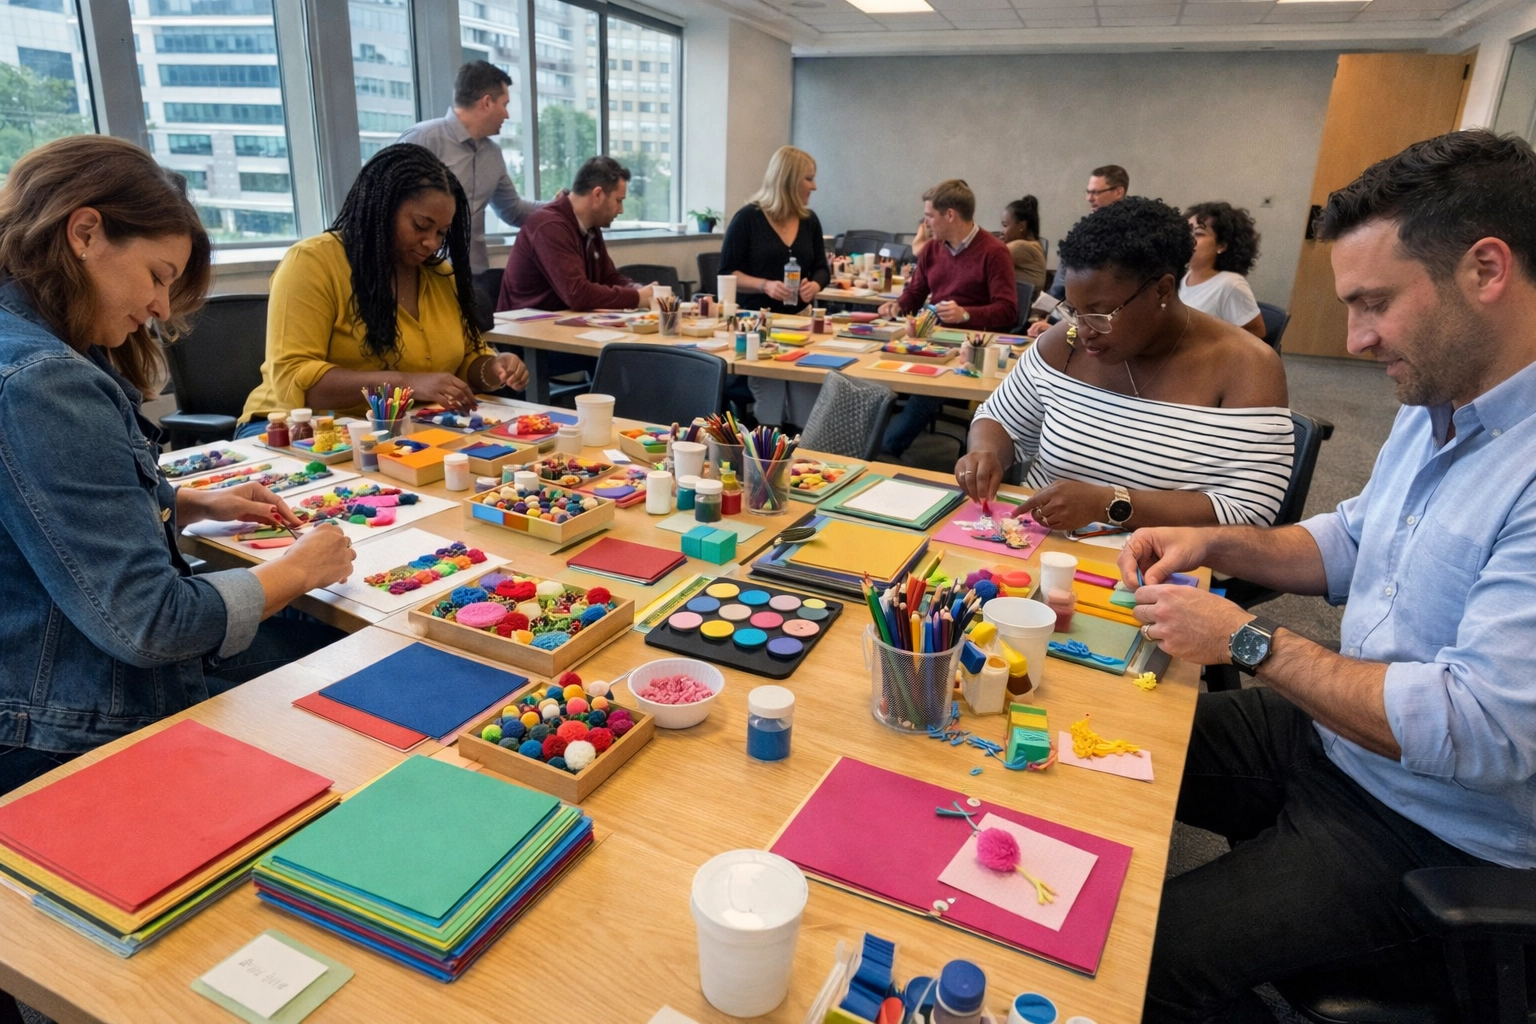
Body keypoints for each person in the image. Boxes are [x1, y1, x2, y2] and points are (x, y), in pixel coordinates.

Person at [1124, 129, 1536, 1024]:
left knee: (1127, 962)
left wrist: (1246, 641)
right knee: (1104, 744)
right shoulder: (1444, 397)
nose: (1353, 339)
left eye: (1375, 303)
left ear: (1487, 270)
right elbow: (1354, 537)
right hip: (1333, 737)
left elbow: (1484, 728)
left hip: (1433, 830)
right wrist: (1216, 545)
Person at [0, 136, 355, 796]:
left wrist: (190, 503)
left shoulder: (25, 340)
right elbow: (151, 623)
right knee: (340, 669)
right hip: (66, 728)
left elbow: (33, 511)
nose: (162, 307)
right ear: (85, 232)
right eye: (159, 275)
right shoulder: (45, 382)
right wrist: (299, 570)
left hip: (49, 689)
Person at [956, 196, 1292, 532]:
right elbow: (999, 418)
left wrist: (1109, 504)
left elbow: (1251, 510)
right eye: (1073, 310)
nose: (1083, 330)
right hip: (1037, 544)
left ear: (1162, 289)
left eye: (1100, 314)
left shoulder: (1245, 366)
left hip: (1158, 567)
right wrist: (985, 453)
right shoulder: (1065, 344)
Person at [238, 144, 528, 433]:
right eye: (420, 226)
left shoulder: (440, 276)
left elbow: (467, 360)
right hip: (290, 428)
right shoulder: (312, 263)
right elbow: (295, 378)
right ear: (382, 208)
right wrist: (406, 384)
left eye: (441, 232)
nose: (432, 243)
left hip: (397, 429)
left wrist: (494, 369)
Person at [878, 179, 1018, 457]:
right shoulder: (932, 249)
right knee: (877, 373)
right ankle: (870, 442)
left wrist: (966, 313)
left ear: (950, 214)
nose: (925, 223)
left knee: (928, 386)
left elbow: (1008, 310)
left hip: (970, 349)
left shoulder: (994, 252)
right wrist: (896, 306)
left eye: (929, 216)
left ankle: (885, 449)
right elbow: (916, 292)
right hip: (934, 342)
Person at [397, 61, 543, 279]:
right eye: (505, 104)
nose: (507, 115)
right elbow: (389, 206)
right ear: (486, 103)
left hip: (473, 277)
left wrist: (565, 206)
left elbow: (514, 210)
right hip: (424, 274)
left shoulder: (493, 154)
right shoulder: (422, 139)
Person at [718, 145, 829, 427]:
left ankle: (802, 459)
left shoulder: (809, 220)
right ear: (790, 181)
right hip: (761, 326)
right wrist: (765, 285)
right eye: (808, 178)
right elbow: (727, 273)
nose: (814, 186)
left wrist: (814, 286)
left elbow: (821, 268)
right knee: (770, 402)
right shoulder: (747, 219)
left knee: (807, 396)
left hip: (801, 328)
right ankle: (767, 458)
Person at [497, 155, 655, 313]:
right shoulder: (549, 226)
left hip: (559, 324)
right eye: (618, 201)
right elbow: (577, 294)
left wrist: (638, 289)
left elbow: (609, 278)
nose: (621, 210)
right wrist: (637, 297)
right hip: (523, 330)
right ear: (598, 195)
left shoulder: (590, 226)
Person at [1029, 164, 1130, 336]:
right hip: (1067, 320)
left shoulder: (1129, 235)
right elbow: (1061, 286)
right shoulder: (1083, 231)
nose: (1089, 198)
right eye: (1088, 192)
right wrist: (1051, 320)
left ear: (1118, 192)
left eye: (1096, 192)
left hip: (1101, 328)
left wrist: (1061, 325)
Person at [1181, 201, 1265, 338]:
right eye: (1188, 231)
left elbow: (1256, 333)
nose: (1189, 238)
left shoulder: (1229, 284)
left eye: (1198, 233)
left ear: (1222, 245)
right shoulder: (1184, 276)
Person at [1002, 195, 1046, 293]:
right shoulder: (1034, 244)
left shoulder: (1020, 247)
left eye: (1005, 225)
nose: (1002, 231)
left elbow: (987, 257)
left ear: (1022, 226)